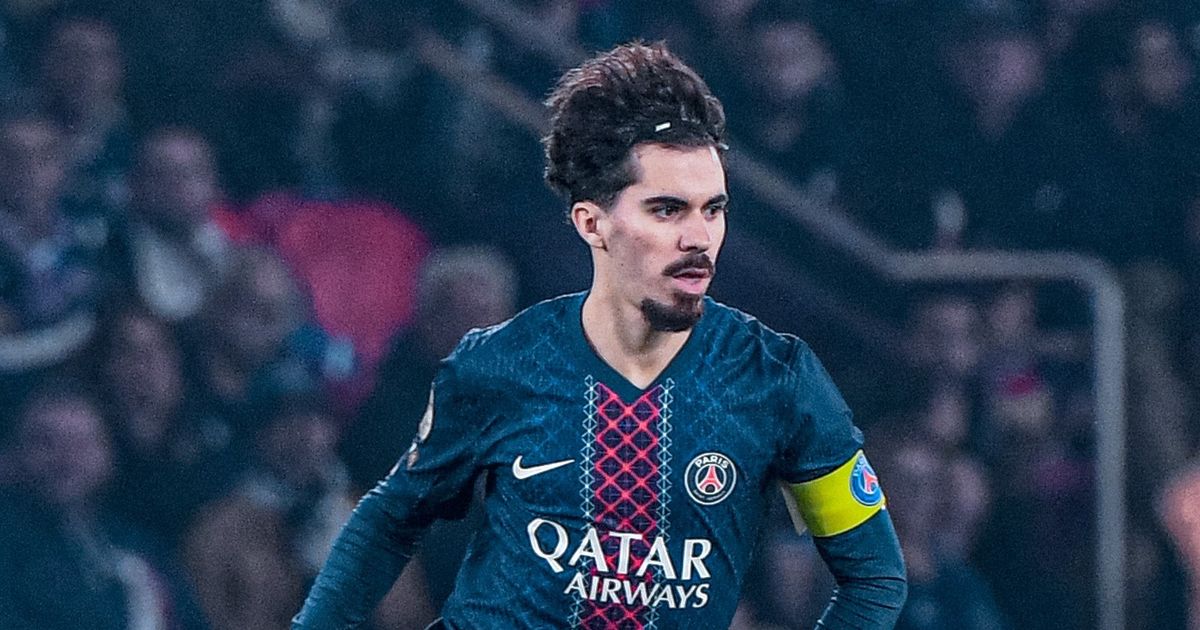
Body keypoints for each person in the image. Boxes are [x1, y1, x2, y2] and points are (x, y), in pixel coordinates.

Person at [293, 41, 906, 629]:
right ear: (593, 223)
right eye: (667, 209)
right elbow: (390, 520)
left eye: (713, 209)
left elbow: (875, 576)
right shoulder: (500, 364)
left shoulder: (777, 379)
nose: (699, 237)